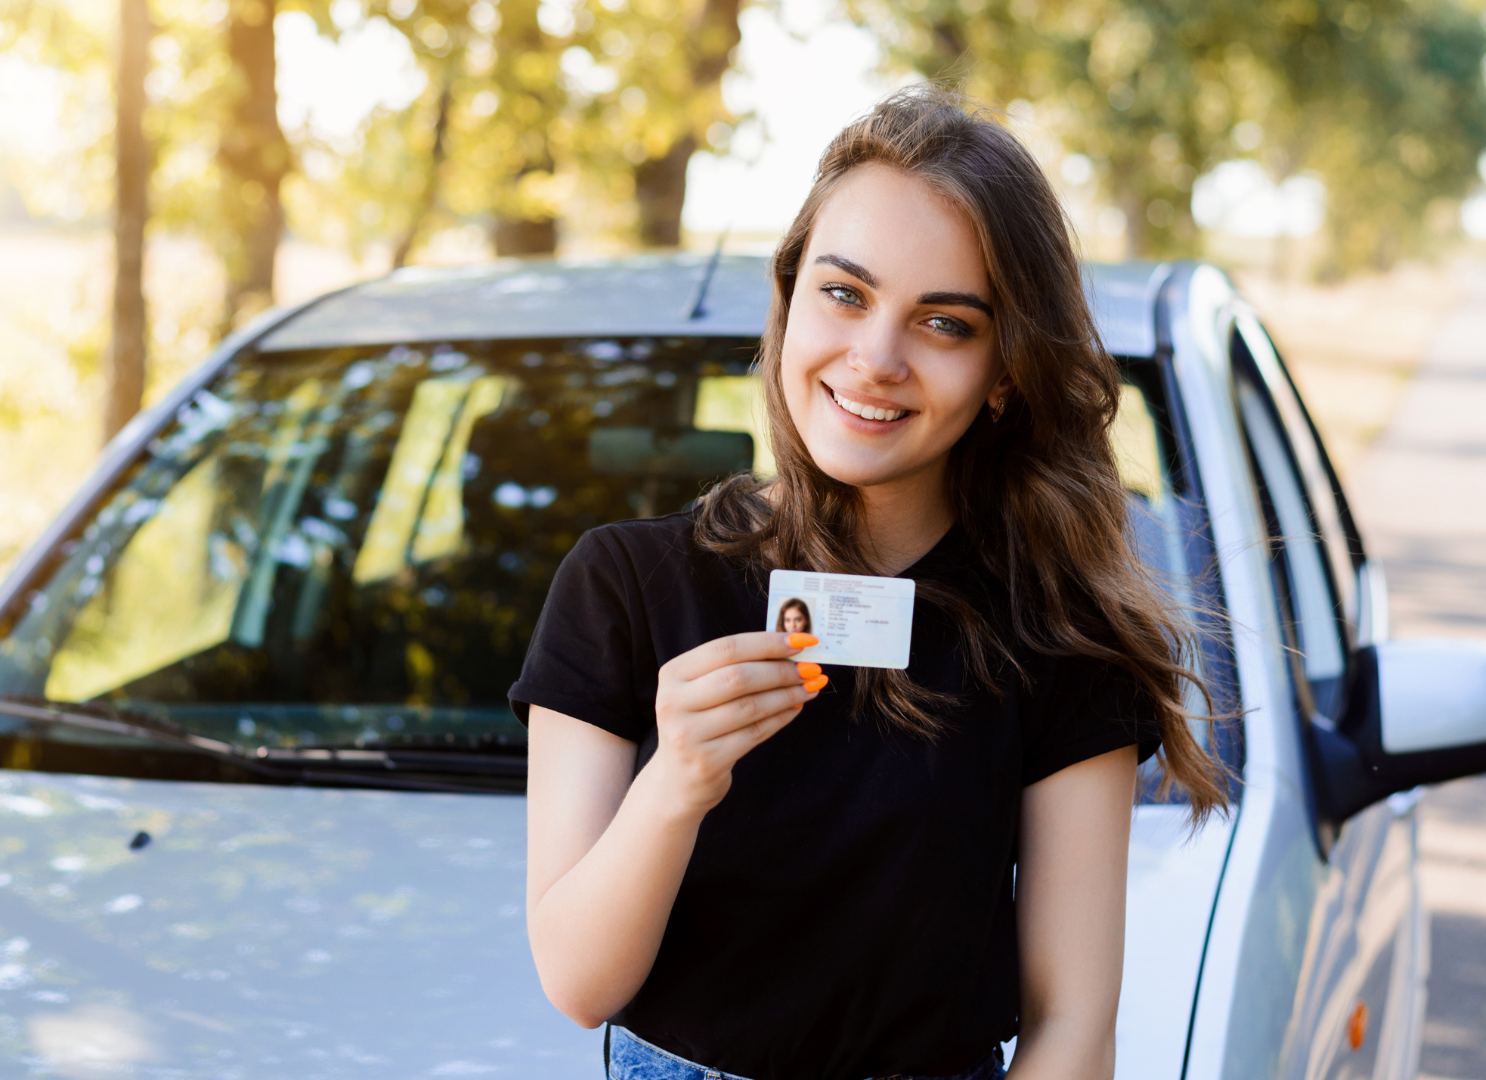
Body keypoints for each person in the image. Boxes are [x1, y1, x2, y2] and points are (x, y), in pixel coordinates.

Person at [510, 87, 1227, 1080]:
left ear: (1005, 374)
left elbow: (1075, 1027)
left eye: (945, 323)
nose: (876, 358)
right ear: (790, 297)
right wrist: (673, 781)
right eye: (844, 294)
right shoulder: (625, 586)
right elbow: (579, 984)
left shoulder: (1055, 634)